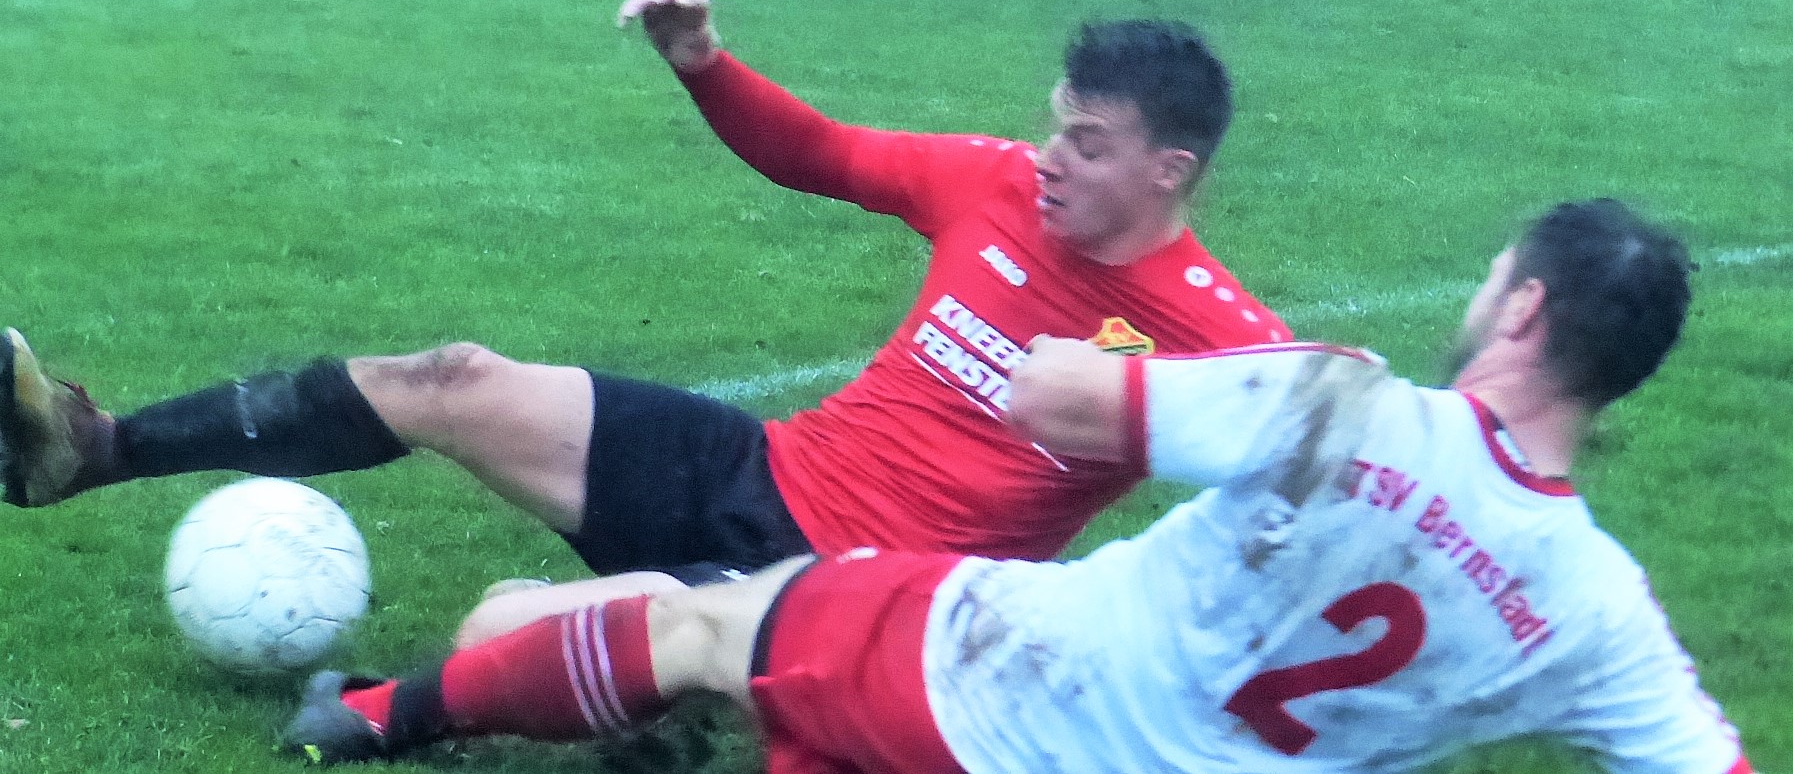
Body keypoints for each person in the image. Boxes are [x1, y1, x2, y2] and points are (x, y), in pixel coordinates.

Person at [0, 0, 1287, 642]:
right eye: (1055, 124)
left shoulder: (1220, 332)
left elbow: (1339, 470)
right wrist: (703, 64)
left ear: (1165, 170)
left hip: (857, 591)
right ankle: (90, 452)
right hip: (761, 466)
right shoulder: (993, 181)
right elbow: (822, 152)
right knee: (450, 376)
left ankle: (613, 691)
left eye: (1086, 142)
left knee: (518, 626)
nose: (1050, 155)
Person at [279, 198, 1753, 773]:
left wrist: (1094, 337)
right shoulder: (1596, 606)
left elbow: (1059, 396)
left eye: (1494, 273)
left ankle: (371, 716)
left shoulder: (1345, 399)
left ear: (1523, 309)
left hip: (1011, 676)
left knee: (715, 623)